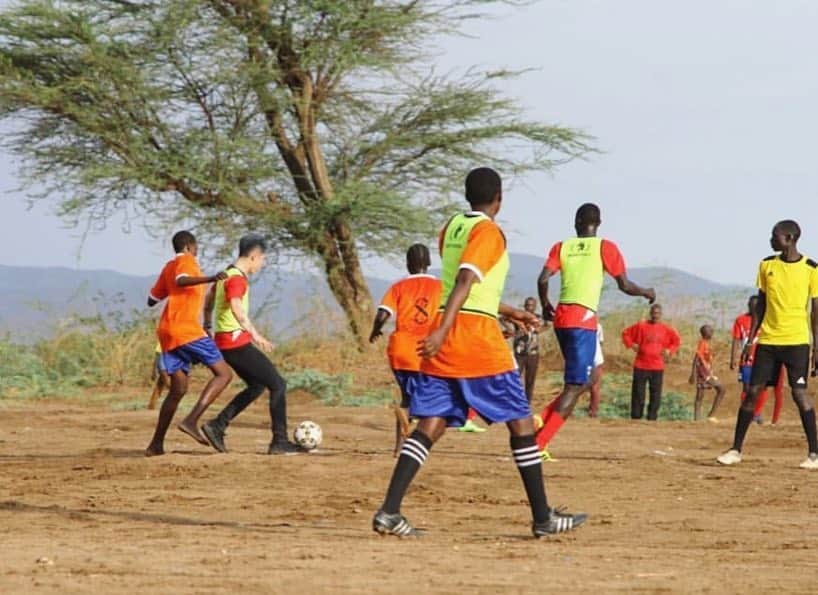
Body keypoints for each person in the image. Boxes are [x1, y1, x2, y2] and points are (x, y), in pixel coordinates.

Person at [372, 167, 586, 538]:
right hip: (474, 337)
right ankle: (542, 518)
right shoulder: (489, 231)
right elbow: (465, 282)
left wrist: (507, 311)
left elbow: (465, 286)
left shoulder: (452, 227)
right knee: (520, 421)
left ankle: (389, 511)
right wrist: (441, 330)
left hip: (452, 333)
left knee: (431, 424)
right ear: (499, 199)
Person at [533, 203, 655, 458]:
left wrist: (546, 304)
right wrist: (646, 292)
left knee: (586, 381)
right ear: (598, 223)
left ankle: (542, 418)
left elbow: (543, 279)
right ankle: (538, 444)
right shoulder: (605, 248)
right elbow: (624, 285)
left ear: (576, 221)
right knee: (576, 384)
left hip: (562, 317)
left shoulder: (561, 247)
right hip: (583, 319)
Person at [717, 220, 818, 469]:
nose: (771, 240)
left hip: (796, 342)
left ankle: (814, 454)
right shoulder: (766, 265)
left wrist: (817, 348)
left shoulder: (811, 268)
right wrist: (751, 339)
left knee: (799, 394)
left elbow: (816, 313)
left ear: (790, 238)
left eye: (776, 236)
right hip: (768, 341)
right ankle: (735, 449)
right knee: (752, 392)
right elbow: (760, 306)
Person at [200, 234, 303, 455]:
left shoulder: (224, 275)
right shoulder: (237, 278)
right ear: (254, 256)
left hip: (225, 342)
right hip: (236, 343)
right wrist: (256, 335)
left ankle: (217, 425)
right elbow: (237, 307)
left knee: (257, 385)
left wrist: (208, 325)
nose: (262, 264)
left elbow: (208, 302)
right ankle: (279, 441)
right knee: (278, 385)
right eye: (263, 259)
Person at [145, 231, 233, 457]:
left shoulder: (168, 266)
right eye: (196, 247)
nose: (197, 251)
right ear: (189, 246)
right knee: (224, 374)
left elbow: (152, 299)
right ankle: (192, 420)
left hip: (167, 332)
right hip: (186, 330)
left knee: (178, 389)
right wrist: (211, 278)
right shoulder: (187, 262)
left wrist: (175, 294)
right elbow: (180, 280)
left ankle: (156, 444)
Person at [369, 243, 442, 456]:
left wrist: (375, 331)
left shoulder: (398, 287)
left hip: (401, 350)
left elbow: (382, 315)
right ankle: (419, 443)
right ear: (428, 263)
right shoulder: (441, 287)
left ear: (408, 264)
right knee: (434, 396)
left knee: (407, 398)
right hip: (429, 350)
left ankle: (400, 446)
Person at [621, 304, 681, 421]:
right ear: (650, 313)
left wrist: (669, 350)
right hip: (641, 364)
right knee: (638, 393)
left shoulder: (666, 329)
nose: (655, 315)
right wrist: (631, 344)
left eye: (658, 313)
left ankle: (652, 418)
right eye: (653, 313)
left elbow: (676, 341)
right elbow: (625, 333)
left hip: (657, 366)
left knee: (655, 394)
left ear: (661, 315)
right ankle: (636, 418)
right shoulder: (641, 326)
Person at [731, 296, 785, 425]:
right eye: (751, 305)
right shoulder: (740, 320)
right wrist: (733, 357)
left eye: (756, 306)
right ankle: (746, 413)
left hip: (764, 359)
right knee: (747, 388)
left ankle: (757, 413)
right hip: (747, 360)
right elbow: (736, 340)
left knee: (763, 387)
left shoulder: (768, 320)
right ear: (748, 305)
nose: (754, 308)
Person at [690, 325, 726, 421]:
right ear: (705, 333)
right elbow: (697, 357)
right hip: (704, 372)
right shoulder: (702, 344)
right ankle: (711, 415)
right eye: (710, 331)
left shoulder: (706, 343)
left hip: (705, 371)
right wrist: (693, 374)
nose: (712, 332)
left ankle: (697, 419)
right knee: (721, 389)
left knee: (700, 395)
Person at [512, 297, 543, 403]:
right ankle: (514, 399)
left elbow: (542, 328)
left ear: (535, 306)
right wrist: (514, 325)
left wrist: (535, 327)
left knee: (530, 380)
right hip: (519, 352)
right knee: (515, 377)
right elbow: (503, 318)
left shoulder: (538, 317)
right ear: (524, 306)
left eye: (532, 305)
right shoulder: (519, 316)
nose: (529, 307)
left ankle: (527, 402)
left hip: (533, 353)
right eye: (528, 305)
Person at [587, 323, 605, 418]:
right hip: (584, 359)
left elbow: (600, 342)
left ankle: (593, 411)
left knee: (595, 388)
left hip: (596, 360)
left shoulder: (598, 326)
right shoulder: (578, 324)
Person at [147, 341, 169, 410]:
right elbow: (157, 355)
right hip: (163, 360)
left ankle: (151, 405)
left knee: (160, 385)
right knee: (167, 383)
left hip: (170, 360)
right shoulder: (162, 341)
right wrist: (154, 371)